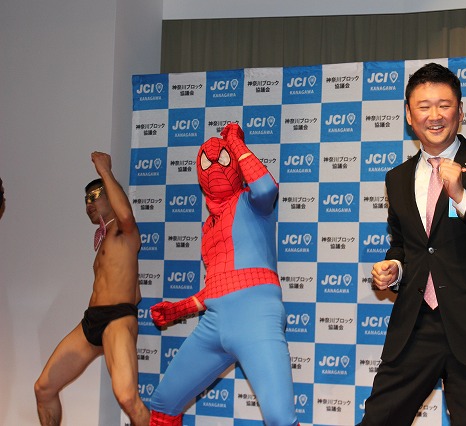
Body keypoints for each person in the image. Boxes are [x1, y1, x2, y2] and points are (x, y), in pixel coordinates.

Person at [360, 63, 466, 426]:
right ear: (409, 115)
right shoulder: (397, 177)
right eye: (424, 106)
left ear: (460, 111)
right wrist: (395, 268)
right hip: (415, 326)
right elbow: (404, 244)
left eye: (444, 105)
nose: (434, 116)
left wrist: (462, 198)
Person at [148, 123, 298, 426]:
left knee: (280, 418)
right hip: (215, 322)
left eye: (222, 159)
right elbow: (219, 284)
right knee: (164, 403)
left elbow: (266, 187)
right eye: (206, 163)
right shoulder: (209, 228)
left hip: (257, 316)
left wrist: (235, 141)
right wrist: (180, 309)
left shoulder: (252, 203)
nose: (214, 166)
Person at [34, 152, 149, 426]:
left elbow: (125, 214)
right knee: (44, 389)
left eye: (95, 196)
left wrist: (105, 170)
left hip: (117, 319)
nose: (89, 203)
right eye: (86, 199)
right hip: (92, 321)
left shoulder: (125, 231)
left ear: (110, 196)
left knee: (127, 398)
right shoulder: (106, 239)